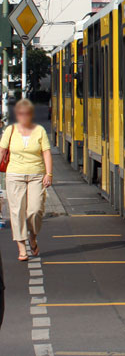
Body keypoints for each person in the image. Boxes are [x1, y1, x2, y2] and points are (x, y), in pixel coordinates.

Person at [0, 99, 53, 261]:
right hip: (14, 175)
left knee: (35, 210)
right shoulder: (10, 130)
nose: (24, 117)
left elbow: (46, 153)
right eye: (21, 114)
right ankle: (22, 247)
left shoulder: (40, 131)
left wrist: (49, 174)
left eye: (27, 114)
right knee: (17, 212)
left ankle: (33, 236)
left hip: (36, 175)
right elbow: (2, 151)